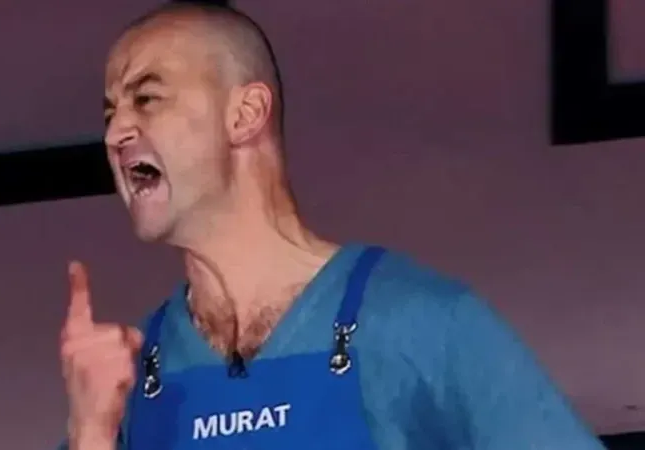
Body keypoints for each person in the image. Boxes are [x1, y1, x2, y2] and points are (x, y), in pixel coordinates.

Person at [58, 2, 607, 449]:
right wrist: (90, 436)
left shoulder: (419, 323)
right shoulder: (125, 381)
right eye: (109, 114)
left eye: (147, 100)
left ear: (245, 115)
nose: (116, 133)